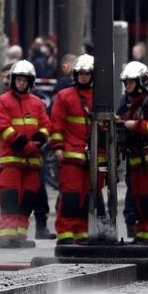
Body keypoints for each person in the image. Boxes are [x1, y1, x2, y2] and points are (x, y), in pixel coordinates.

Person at [0, 62, 56, 239]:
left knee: (28, 199)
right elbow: (3, 127)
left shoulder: (37, 103)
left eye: (24, 80)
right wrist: (25, 145)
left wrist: (39, 139)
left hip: (32, 162)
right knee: (10, 198)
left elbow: (46, 125)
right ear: (13, 81)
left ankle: (20, 235)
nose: (21, 83)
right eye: (18, 80)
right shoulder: (2, 101)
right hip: (11, 160)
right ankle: (7, 236)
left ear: (30, 82)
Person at [49, 54, 104, 244]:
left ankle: (81, 233)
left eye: (87, 74)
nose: (83, 77)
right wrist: (57, 147)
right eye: (81, 73)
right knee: (71, 196)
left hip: (93, 157)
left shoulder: (100, 97)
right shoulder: (64, 96)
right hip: (71, 155)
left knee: (87, 197)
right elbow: (56, 124)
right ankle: (65, 233)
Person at [116, 61, 148, 244]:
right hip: (134, 156)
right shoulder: (130, 102)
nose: (128, 86)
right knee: (137, 197)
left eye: (131, 82)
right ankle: (142, 233)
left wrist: (134, 125)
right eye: (126, 83)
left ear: (141, 81)